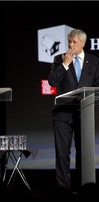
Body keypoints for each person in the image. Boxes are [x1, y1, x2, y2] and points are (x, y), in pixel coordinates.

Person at [48, 29, 99, 191]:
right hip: (63, 113)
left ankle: (83, 188)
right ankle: (63, 191)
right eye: (69, 41)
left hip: (84, 113)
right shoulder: (59, 59)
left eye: (74, 42)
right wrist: (65, 64)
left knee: (84, 153)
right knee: (62, 155)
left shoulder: (94, 60)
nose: (71, 45)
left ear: (83, 43)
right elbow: (52, 82)